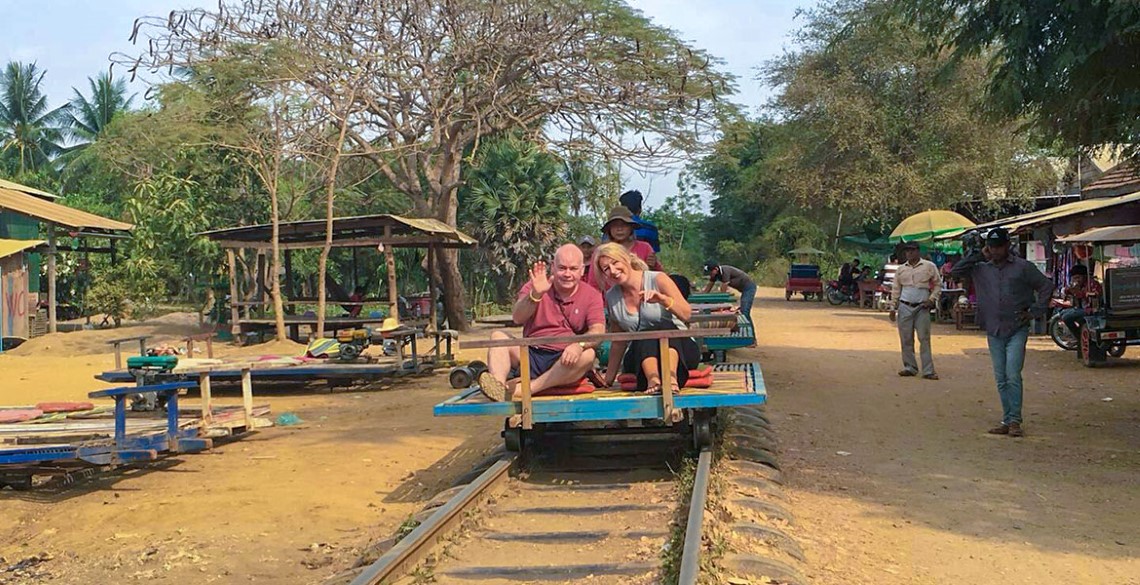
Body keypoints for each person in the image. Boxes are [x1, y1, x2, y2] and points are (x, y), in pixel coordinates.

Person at [951, 227, 1053, 437]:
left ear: (1008, 246)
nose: (996, 251)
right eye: (992, 247)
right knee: (1000, 377)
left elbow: (1046, 286)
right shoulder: (980, 268)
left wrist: (1035, 311)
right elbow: (955, 272)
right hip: (993, 327)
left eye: (999, 246)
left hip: (1016, 327)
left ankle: (1015, 420)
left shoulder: (1023, 267)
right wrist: (979, 254)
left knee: (1012, 375)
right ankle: (1007, 419)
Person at [477, 244, 606, 401]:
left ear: (582, 270)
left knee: (589, 355)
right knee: (498, 336)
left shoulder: (592, 295)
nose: (567, 274)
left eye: (572, 269)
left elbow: (598, 331)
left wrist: (579, 345)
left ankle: (528, 389)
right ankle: (497, 386)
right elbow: (517, 317)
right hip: (531, 351)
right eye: (562, 268)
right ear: (553, 267)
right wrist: (535, 295)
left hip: (565, 358)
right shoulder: (535, 286)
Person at [594, 243, 698, 394]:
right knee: (645, 333)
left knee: (661, 328)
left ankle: (671, 379)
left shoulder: (658, 279)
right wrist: (608, 378)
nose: (613, 271)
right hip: (641, 355)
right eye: (606, 269)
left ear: (627, 259)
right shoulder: (611, 297)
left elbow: (687, 314)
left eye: (615, 263)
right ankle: (653, 381)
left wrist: (663, 300)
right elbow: (618, 341)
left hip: (679, 348)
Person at [890, 242, 941, 380]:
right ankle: (910, 367)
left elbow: (938, 285)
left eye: (912, 251)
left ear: (918, 251)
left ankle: (928, 370)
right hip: (904, 305)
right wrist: (893, 307)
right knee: (906, 338)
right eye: (907, 251)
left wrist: (931, 299)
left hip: (922, 306)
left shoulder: (929, 266)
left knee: (924, 338)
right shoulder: (901, 269)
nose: (909, 253)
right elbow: (896, 289)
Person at [593, 206, 662, 288]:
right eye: (615, 225)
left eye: (623, 225)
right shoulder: (601, 252)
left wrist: (653, 266)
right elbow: (593, 283)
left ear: (631, 227)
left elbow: (659, 277)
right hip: (610, 298)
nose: (619, 229)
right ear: (609, 229)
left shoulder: (645, 248)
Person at [1060, 264, 1102, 342]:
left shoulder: (1092, 284)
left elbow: (1094, 295)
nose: (1077, 280)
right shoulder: (1077, 285)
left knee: (1066, 317)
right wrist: (1068, 290)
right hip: (1081, 308)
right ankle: (1080, 333)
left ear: (1085, 276)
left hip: (1091, 309)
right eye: (1075, 278)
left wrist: (1078, 293)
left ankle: (1079, 338)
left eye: (1079, 277)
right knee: (1062, 313)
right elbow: (1065, 290)